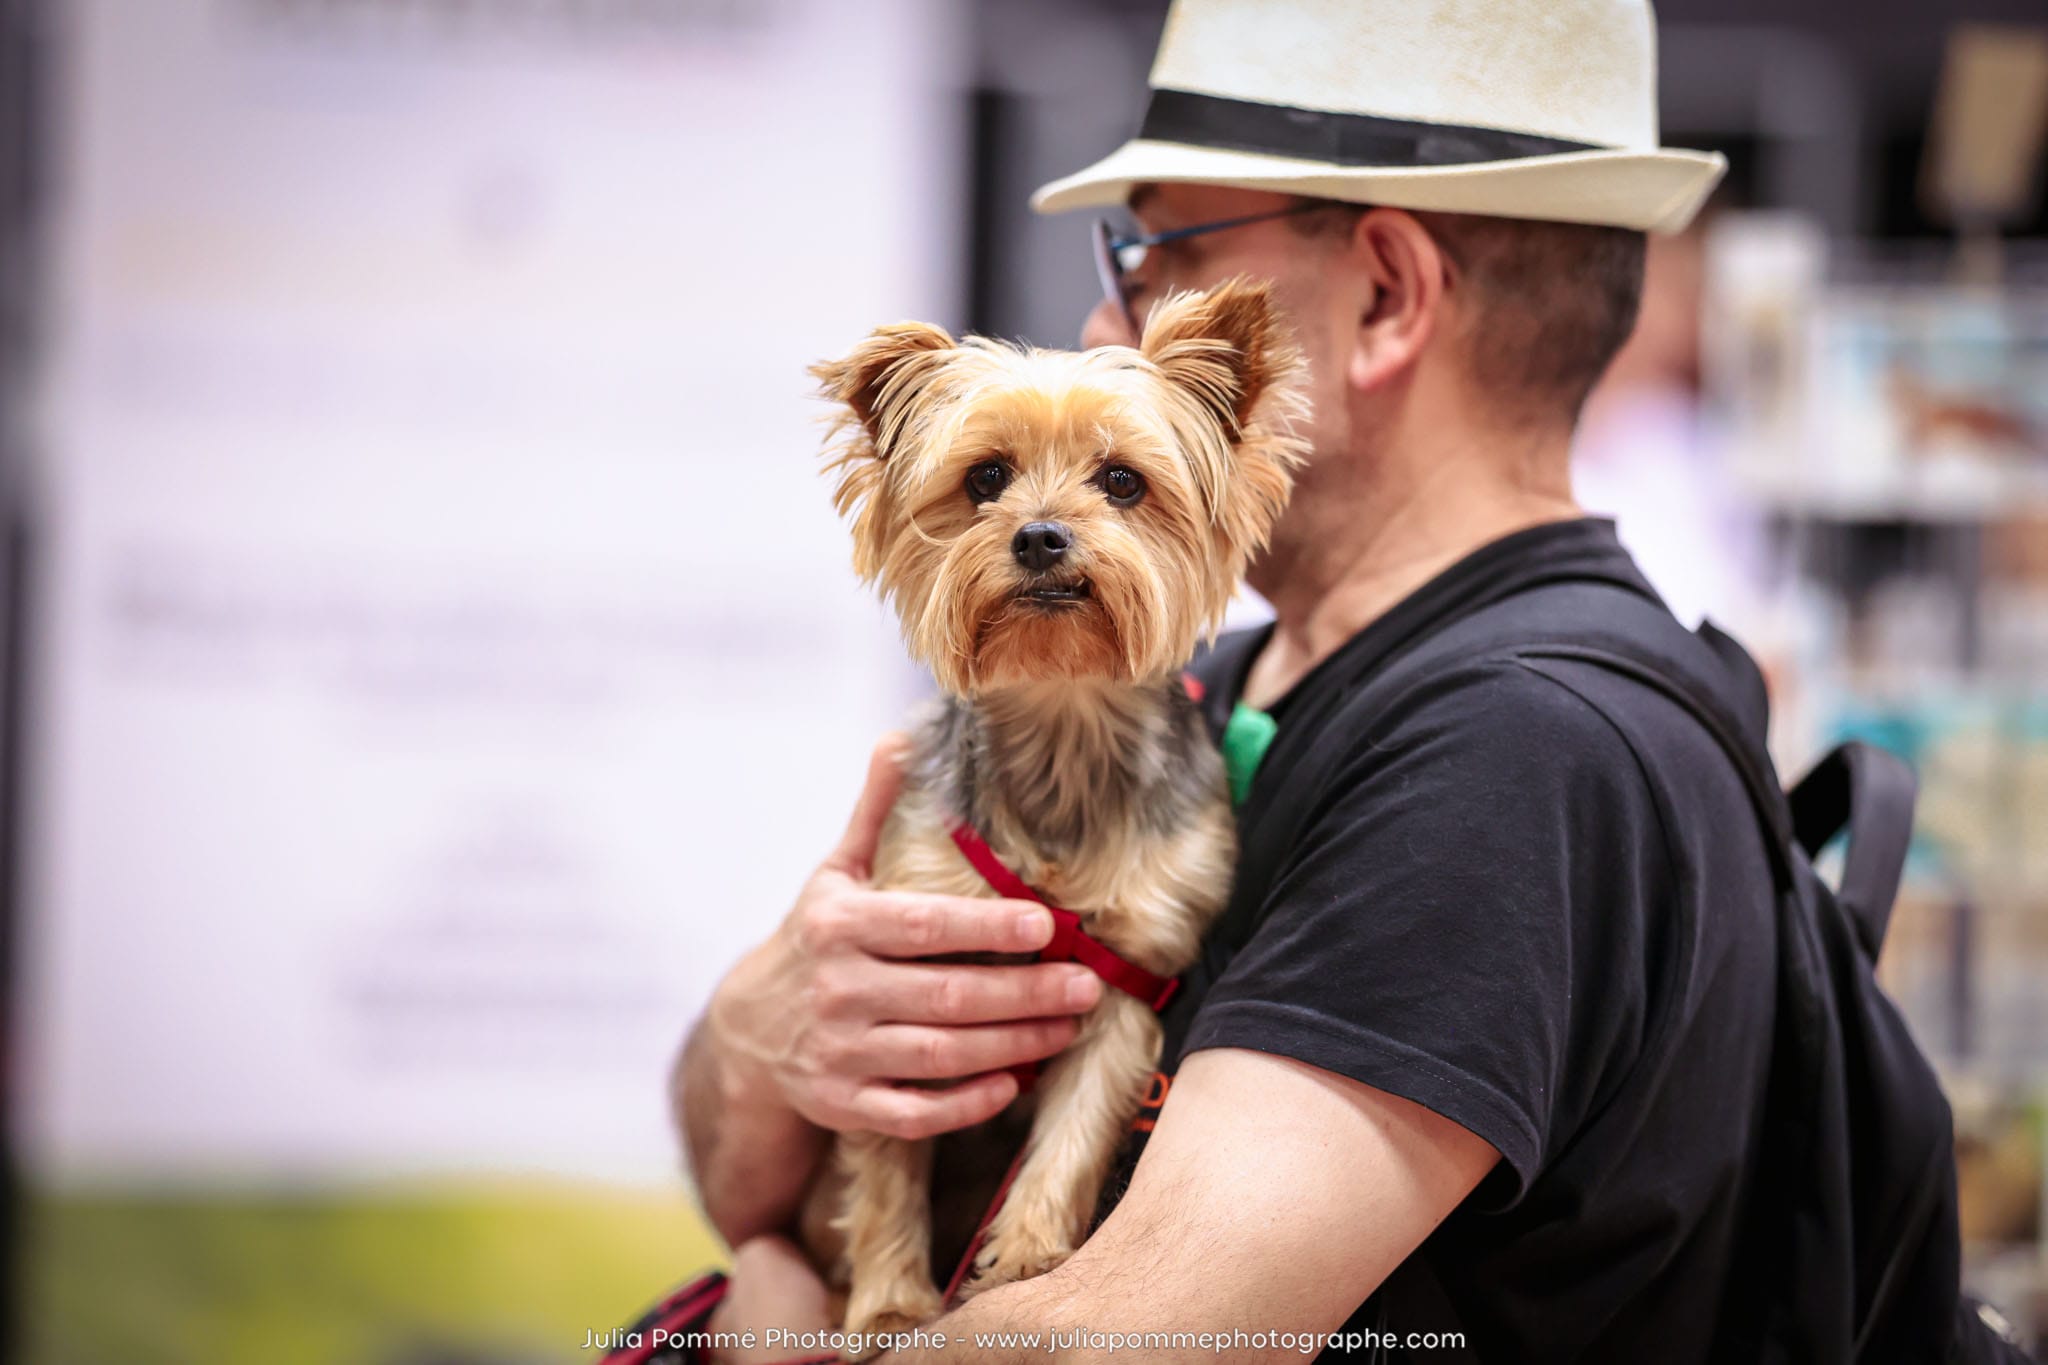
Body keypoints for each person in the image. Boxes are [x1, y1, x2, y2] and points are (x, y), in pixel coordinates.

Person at [671, 3, 1990, 1361]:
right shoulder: (1236, 688)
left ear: (1383, 297)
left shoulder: (1513, 755)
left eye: (1147, 255)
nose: (1096, 319)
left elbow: (1129, 1342)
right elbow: (751, 1171)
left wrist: (773, 1317)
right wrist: (766, 1026)